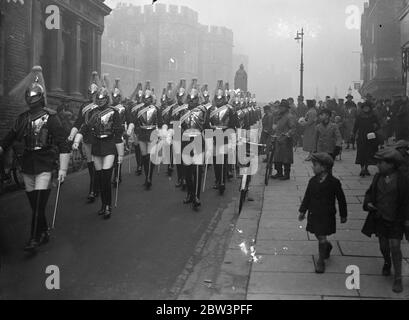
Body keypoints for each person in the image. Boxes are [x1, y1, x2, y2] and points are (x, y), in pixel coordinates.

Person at [0, 66, 70, 251]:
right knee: (35, 205)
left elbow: (63, 143)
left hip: (45, 163)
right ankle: (44, 231)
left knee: (38, 204)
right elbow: (10, 136)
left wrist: (63, 169)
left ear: (40, 97)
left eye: (34, 96)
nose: (31, 100)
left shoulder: (51, 117)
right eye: (29, 97)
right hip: (27, 165)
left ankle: (34, 238)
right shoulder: (22, 118)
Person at [73, 75, 124, 219]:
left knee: (107, 176)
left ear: (107, 99)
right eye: (99, 99)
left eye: (103, 99)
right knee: (100, 177)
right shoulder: (93, 113)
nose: (100, 101)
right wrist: (77, 138)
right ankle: (103, 204)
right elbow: (85, 127)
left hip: (109, 146)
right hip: (96, 146)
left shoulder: (114, 112)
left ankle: (107, 205)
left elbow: (118, 133)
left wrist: (120, 154)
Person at [362, 148, 409, 293]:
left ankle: (398, 278)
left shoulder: (403, 179)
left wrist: (407, 219)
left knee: (395, 246)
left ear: (391, 164)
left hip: (396, 219)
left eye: (380, 162)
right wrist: (368, 202)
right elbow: (370, 193)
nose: (378, 165)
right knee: (384, 246)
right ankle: (387, 262)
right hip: (380, 217)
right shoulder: (377, 177)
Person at [299, 153, 348, 273]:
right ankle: (327, 245)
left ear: (324, 167)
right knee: (318, 234)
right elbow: (307, 197)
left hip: (327, 214)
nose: (313, 167)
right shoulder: (312, 181)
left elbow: (341, 199)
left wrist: (343, 214)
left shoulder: (334, 182)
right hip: (314, 213)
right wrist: (302, 211)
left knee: (321, 236)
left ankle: (321, 261)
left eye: (315, 165)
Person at [68, 71, 100, 203]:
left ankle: (96, 187)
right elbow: (79, 121)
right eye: (90, 93)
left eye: (93, 93)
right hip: (87, 138)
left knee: (98, 164)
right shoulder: (84, 106)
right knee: (91, 164)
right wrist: (72, 133)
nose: (91, 95)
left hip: (99, 137)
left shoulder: (102, 106)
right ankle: (93, 188)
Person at [127, 81, 162, 190]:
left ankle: (149, 178)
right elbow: (133, 120)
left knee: (150, 156)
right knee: (145, 156)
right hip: (142, 133)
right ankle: (147, 175)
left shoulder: (156, 109)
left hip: (152, 133)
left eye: (148, 98)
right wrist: (130, 128)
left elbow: (159, 122)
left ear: (151, 99)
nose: (146, 100)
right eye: (145, 98)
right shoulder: (138, 109)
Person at [181, 79, 209, 209]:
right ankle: (190, 194)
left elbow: (207, 127)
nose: (191, 101)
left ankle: (197, 196)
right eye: (190, 99)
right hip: (186, 141)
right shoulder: (182, 111)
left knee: (197, 170)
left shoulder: (203, 110)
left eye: (194, 99)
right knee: (187, 171)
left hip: (198, 140)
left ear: (198, 99)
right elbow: (178, 127)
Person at [208, 80, 239, 194]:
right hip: (215, 136)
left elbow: (234, 123)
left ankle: (222, 181)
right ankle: (218, 180)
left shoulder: (230, 109)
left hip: (225, 136)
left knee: (223, 160)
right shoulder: (211, 109)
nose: (219, 99)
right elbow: (208, 123)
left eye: (221, 97)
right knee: (216, 160)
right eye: (218, 97)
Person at [353, 101, 380, 177]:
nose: (366, 109)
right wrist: (353, 133)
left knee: (369, 153)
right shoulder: (359, 116)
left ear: (370, 108)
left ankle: (366, 168)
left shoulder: (373, 116)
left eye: (367, 107)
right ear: (362, 108)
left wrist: (376, 126)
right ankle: (362, 168)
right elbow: (356, 126)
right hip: (361, 136)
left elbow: (378, 125)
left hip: (371, 137)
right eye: (364, 107)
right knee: (361, 153)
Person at [271, 99, 297, 181]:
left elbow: (293, 128)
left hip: (286, 140)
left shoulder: (289, 117)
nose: (281, 108)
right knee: (277, 158)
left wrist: (288, 134)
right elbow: (275, 126)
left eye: (283, 107)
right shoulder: (279, 116)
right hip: (278, 139)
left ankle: (286, 174)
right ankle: (279, 173)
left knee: (286, 158)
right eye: (280, 107)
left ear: (286, 108)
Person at [172, 79, 188, 190]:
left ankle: (185, 178)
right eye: (178, 96)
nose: (180, 98)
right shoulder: (173, 107)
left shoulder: (187, 107)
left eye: (181, 96)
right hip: (177, 132)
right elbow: (171, 119)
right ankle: (180, 178)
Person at [110, 79, 127, 187]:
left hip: (120, 133)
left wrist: (127, 130)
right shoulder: (109, 108)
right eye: (114, 96)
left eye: (117, 96)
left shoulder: (124, 108)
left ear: (120, 97)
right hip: (110, 133)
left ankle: (117, 175)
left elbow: (127, 120)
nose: (115, 98)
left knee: (118, 156)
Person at [160, 82, 177, 177]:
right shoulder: (166, 108)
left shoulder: (177, 107)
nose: (169, 98)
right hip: (170, 129)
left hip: (178, 129)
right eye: (168, 97)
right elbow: (166, 119)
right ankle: (170, 165)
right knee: (169, 147)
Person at [127, 83, 144, 176]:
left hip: (144, 130)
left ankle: (142, 164)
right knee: (137, 148)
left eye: (140, 97)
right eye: (138, 96)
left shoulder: (146, 106)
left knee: (143, 149)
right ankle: (139, 165)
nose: (139, 98)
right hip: (136, 130)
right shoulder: (133, 106)